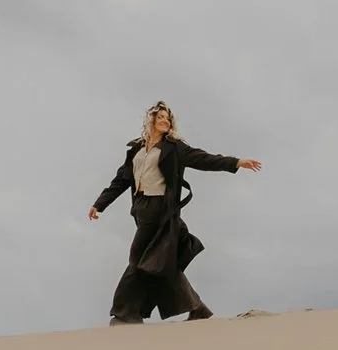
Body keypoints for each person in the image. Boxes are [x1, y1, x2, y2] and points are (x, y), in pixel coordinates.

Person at [88, 102, 262, 324]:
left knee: (137, 258)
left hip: (161, 209)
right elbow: (121, 180)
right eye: (160, 117)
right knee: (160, 262)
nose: (164, 121)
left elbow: (204, 159)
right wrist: (100, 204)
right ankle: (198, 309)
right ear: (150, 120)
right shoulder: (137, 149)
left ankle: (125, 314)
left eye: (167, 118)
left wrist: (236, 162)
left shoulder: (174, 148)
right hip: (141, 208)